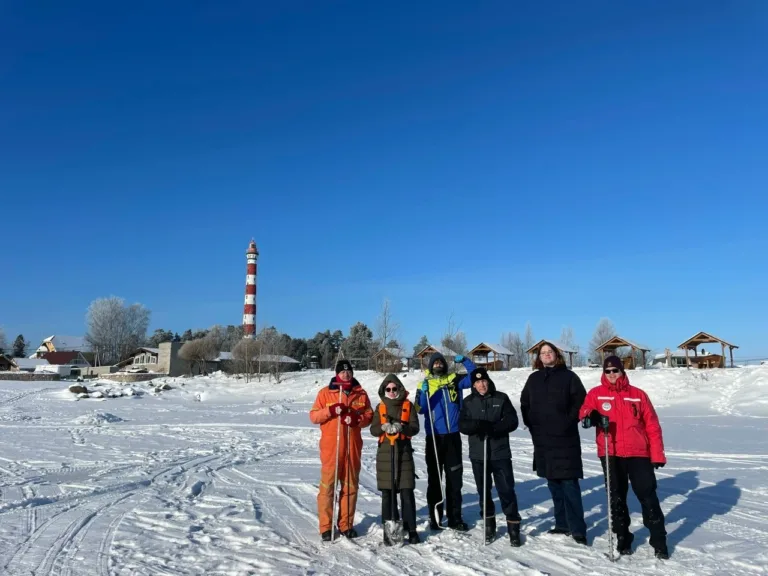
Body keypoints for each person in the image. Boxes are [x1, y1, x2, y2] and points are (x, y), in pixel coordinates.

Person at [580, 355, 669, 559]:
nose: (612, 374)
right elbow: (583, 413)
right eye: (608, 371)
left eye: (615, 370)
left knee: (648, 496)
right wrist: (592, 416)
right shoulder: (596, 394)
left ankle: (659, 541)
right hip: (611, 452)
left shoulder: (638, 395)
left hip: (639, 453)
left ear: (622, 371)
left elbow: (652, 426)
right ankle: (623, 538)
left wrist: (657, 454)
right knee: (616, 497)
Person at [520, 342, 588, 545]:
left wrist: (568, 421)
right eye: (543, 353)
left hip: (565, 438)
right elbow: (525, 403)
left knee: (569, 484)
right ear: (539, 357)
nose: (546, 355)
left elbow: (580, 402)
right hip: (543, 439)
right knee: (553, 483)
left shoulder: (569, 377)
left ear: (556, 355)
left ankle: (577, 529)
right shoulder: (534, 378)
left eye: (550, 352)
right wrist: (532, 423)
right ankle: (562, 524)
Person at [309, 360, 373, 541]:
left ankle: (346, 524)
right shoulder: (325, 393)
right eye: (342, 371)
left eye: (348, 371)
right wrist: (330, 411)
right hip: (332, 448)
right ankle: (326, 527)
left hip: (352, 448)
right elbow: (314, 416)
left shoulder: (360, 393)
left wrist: (357, 419)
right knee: (328, 487)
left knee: (350, 487)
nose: (346, 374)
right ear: (337, 374)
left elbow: (369, 415)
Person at [459, 367, 522, 546]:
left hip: (500, 453)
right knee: (484, 491)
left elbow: (512, 421)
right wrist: (478, 425)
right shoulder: (468, 402)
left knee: (506, 490)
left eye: (484, 381)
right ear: (473, 385)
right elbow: (463, 425)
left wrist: (494, 428)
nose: (481, 385)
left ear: (488, 381)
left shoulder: (501, 398)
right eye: (478, 382)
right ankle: (489, 524)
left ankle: (513, 526)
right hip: (479, 454)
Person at [415, 351, 476, 531]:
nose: (438, 364)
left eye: (441, 362)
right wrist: (425, 393)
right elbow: (419, 409)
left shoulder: (454, 380)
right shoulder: (424, 383)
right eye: (435, 363)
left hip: (453, 436)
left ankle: (455, 518)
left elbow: (475, 377)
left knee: (454, 480)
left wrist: (466, 361)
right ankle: (435, 517)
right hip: (434, 437)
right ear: (430, 366)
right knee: (435, 479)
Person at [369, 373, 421, 545]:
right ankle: (390, 529)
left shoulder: (408, 405)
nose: (391, 391)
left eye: (394, 388)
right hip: (385, 455)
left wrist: (402, 427)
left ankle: (411, 529)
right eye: (388, 389)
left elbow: (415, 427)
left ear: (400, 389)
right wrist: (383, 428)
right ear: (384, 390)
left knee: (407, 492)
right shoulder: (380, 407)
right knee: (388, 493)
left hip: (404, 454)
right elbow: (373, 430)